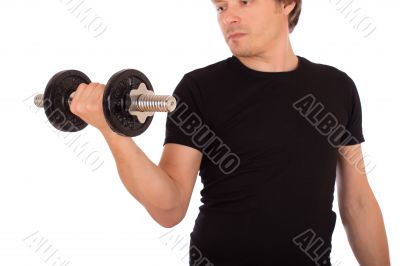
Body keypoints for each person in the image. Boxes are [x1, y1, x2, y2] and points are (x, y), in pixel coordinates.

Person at [69, 0, 390, 265]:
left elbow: (358, 203)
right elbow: (169, 207)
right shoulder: (199, 89)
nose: (229, 17)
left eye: (244, 2)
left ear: (287, 4)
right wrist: (113, 131)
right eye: (221, 8)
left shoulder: (337, 87)